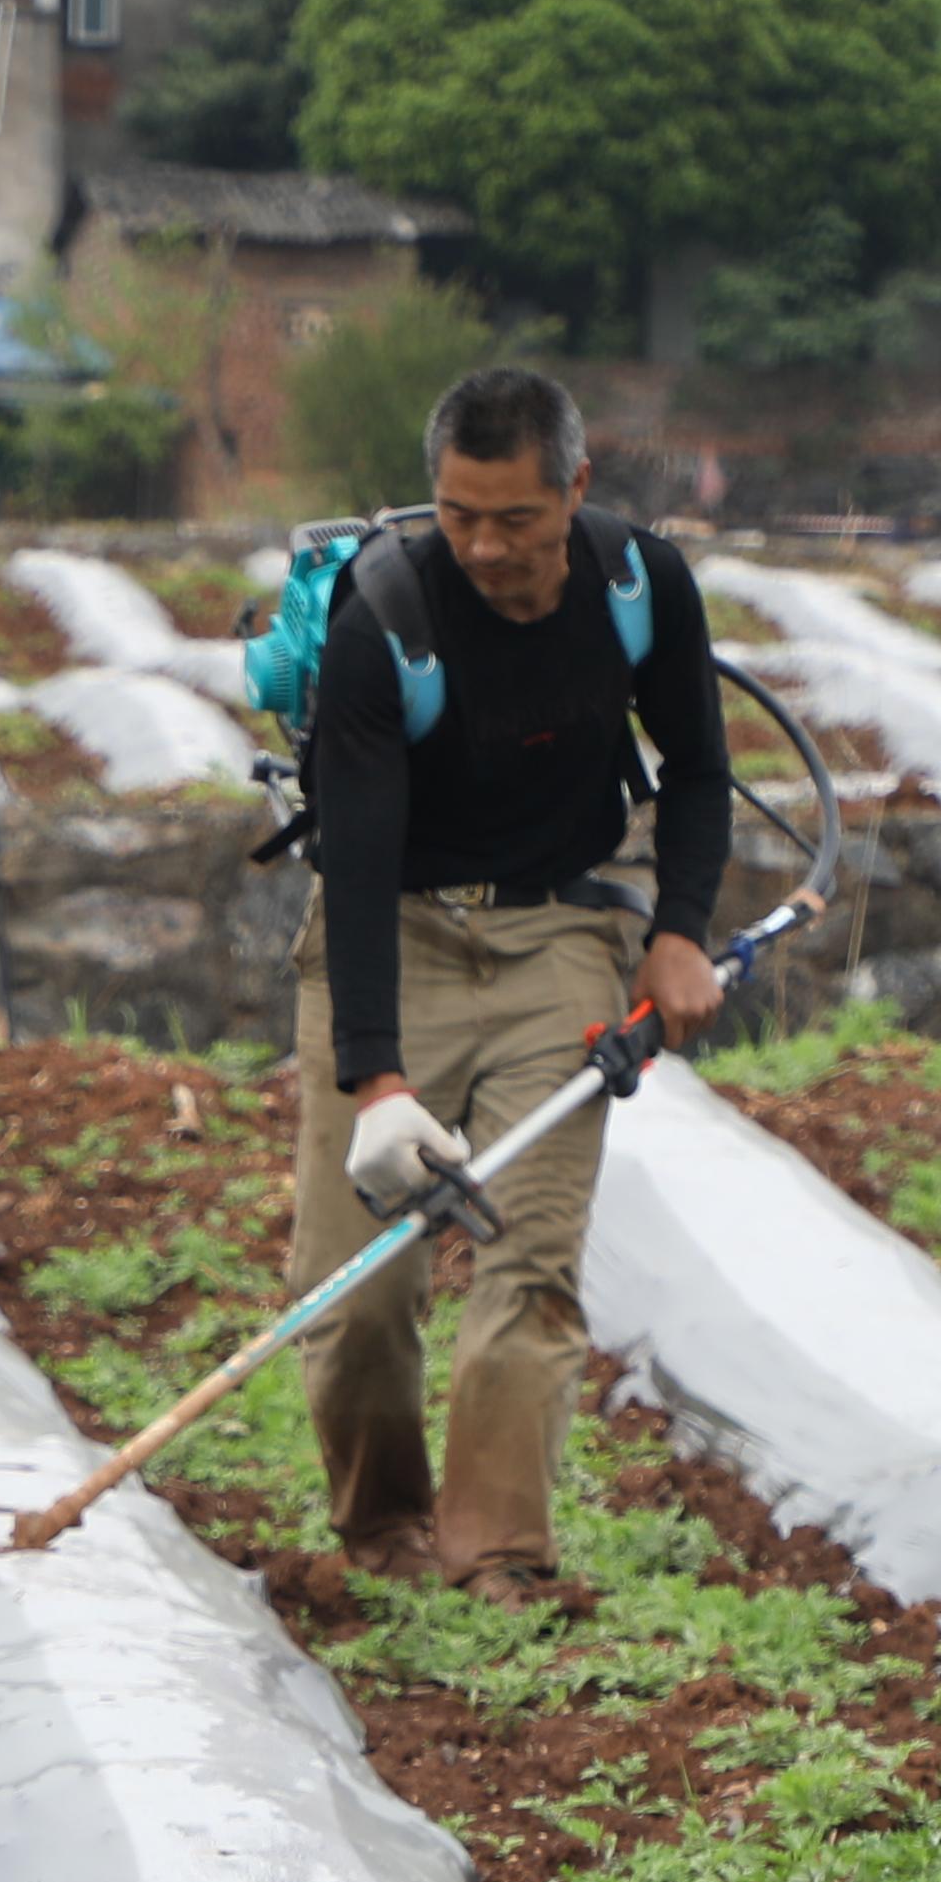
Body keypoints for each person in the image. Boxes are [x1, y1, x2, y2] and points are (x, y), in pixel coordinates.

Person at [287, 366, 739, 1596]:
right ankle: (384, 1535)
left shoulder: (643, 586)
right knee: (363, 1285)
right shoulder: (385, 612)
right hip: (395, 931)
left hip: (558, 935)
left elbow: (697, 771)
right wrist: (377, 1080)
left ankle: (498, 1561)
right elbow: (360, 855)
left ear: (575, 491)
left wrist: (679, 931)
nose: (484, 547)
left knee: (528, 1263)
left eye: (516, 519)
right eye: (459, 515)